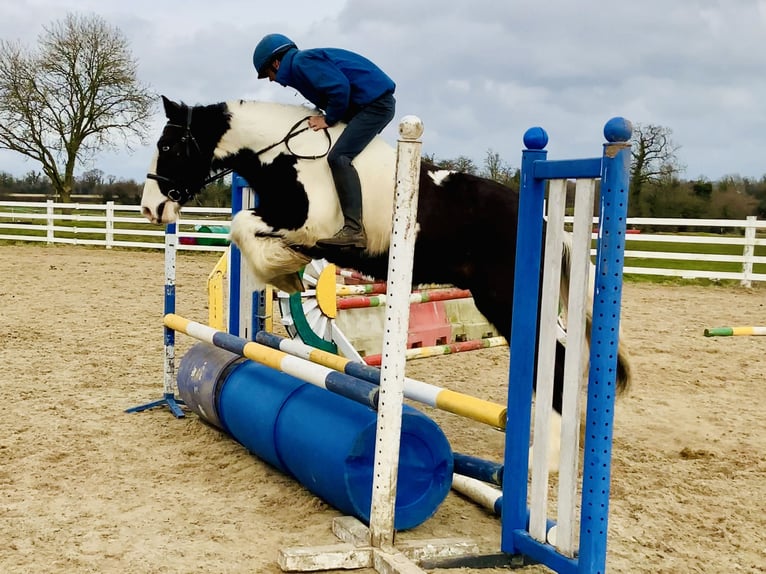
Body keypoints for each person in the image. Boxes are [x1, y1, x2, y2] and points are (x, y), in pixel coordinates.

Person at [253, 34, 396, 249]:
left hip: (375, 106)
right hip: (367, 105)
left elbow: (340, 89)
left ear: (276, 63)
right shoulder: (301, 65)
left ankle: (354, 229)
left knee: (339, 157)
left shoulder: (302, 63)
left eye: (268, 74)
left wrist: (328, 119)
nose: (272, 80)